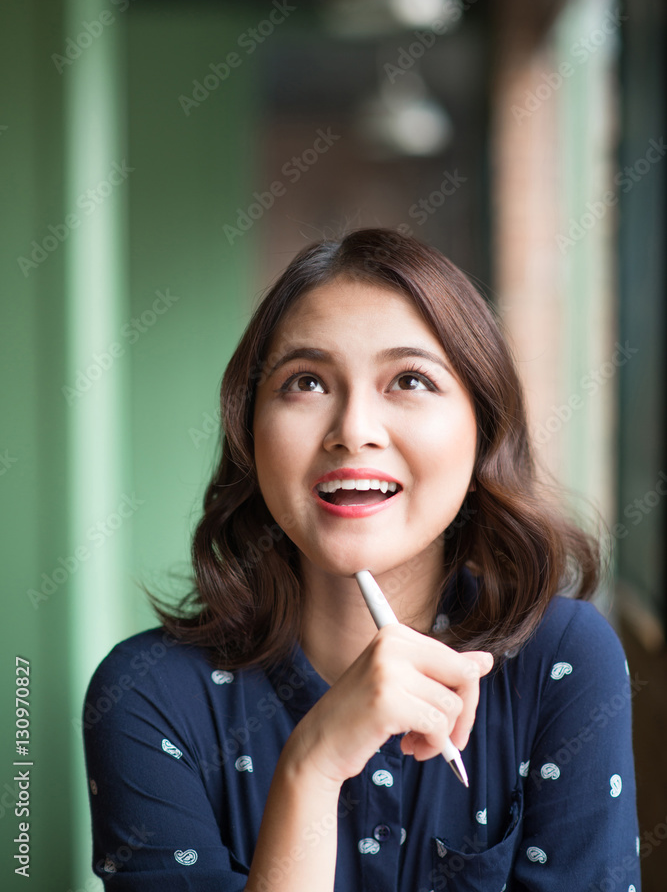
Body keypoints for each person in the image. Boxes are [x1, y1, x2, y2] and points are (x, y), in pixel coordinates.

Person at [82, 227, 641, 891]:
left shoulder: (560, 660)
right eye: (307, 382)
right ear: (248, 430)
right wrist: (311, 766)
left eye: (408, 380)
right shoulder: (147, 696)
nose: (352, 430)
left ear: (482, 428)